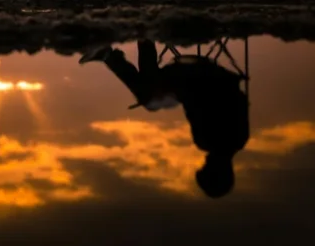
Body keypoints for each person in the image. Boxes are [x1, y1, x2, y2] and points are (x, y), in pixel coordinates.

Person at [80, 40, 250, 199]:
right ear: (218, 170)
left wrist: (172, 94)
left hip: (209, 78)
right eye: (206, 167)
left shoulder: (238, 139)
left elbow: (230, 99)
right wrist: (172, 92)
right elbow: (195, 102)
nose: (205, 161)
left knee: (151, 99)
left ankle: (123, 49)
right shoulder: (209, 141)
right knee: (149, 95)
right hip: (200, 77)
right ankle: (126, 47)